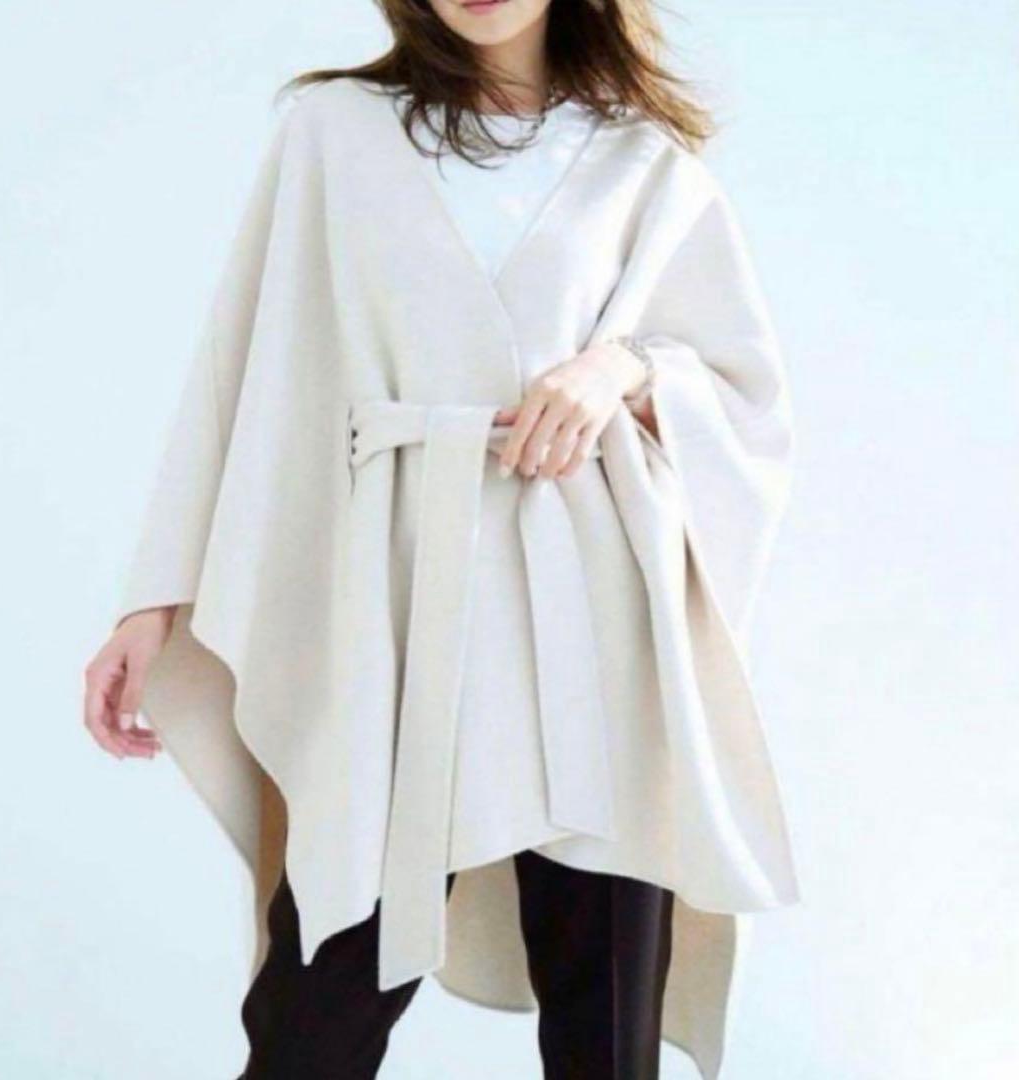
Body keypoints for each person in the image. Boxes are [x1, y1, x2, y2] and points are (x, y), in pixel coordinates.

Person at [82, 2, 802, 1077]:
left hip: (594, 611)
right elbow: (241, 366)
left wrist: (621, 368)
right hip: (399, 606)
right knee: (315, 1011)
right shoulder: (336, 131)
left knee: (606, 1028)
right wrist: (155, 599)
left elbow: (747, 396)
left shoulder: (643, 159)